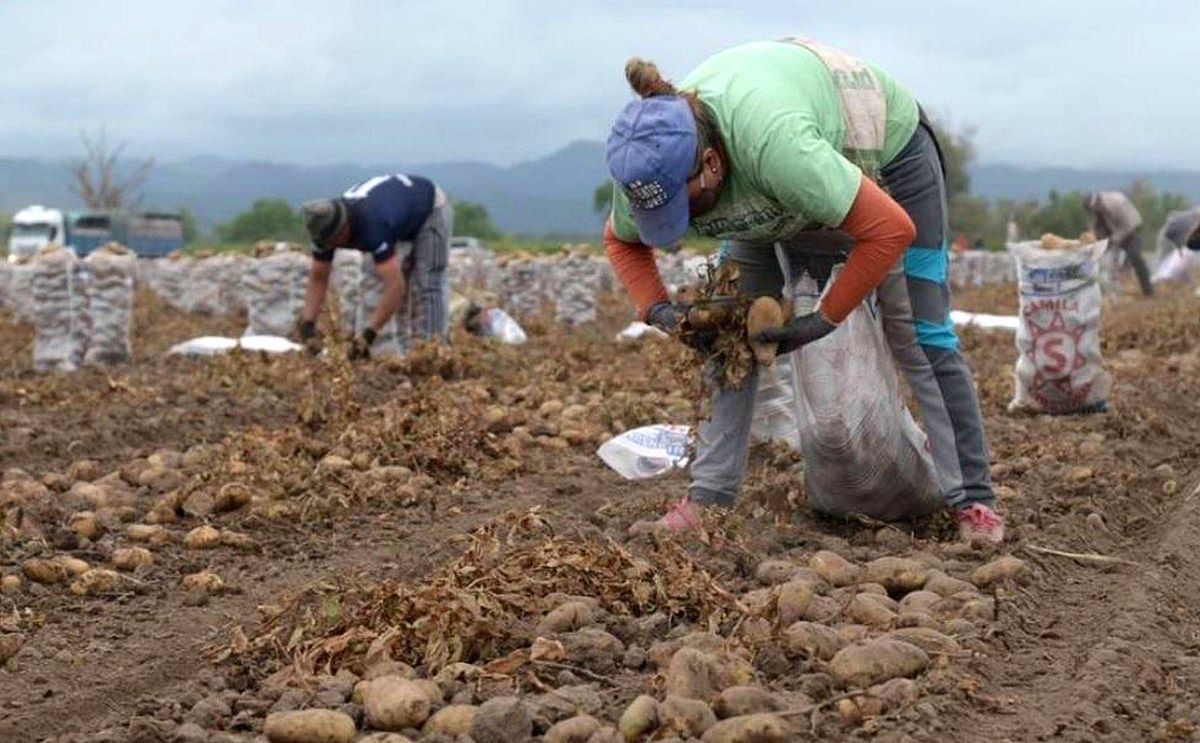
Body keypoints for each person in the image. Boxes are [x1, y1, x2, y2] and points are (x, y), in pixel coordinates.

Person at [603, 39, 1004, 544]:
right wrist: (661, 312)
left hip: (887, 153)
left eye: (690, 207)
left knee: (919, 332)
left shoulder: (776, 147)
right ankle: (708, 501)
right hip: (780, 188)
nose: (684, 225)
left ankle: (973, 502)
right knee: (731, 337)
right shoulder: (646, 165)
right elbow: (621, 241)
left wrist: (821, 321)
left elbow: (889, 231)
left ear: (711, 163)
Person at [298, 174, 453, 358]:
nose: (334, 247)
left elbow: (396, 286)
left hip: (429, 208)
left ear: (344, 228)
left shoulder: (372, 225)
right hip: (396, 215)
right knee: (376, 285)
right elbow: (318, 278)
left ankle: (432, 353)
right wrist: (307, 325)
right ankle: (399, 355)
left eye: (336, 242)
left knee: (427, 283)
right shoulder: (322, 231)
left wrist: (369, 333)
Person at [1084, 191, 1153, 296]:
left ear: (1098, 202)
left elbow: (1127, 227)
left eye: (1094, 209)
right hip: (1111, 229)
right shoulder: (1093, 209)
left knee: (1135, 257)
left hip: (1130, 229)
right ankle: (1100, 289)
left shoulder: (1116, 204)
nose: (1093, 211)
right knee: (1098, 258)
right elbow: (1094, 227)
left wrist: (1114, 241)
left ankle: (1148, 291)